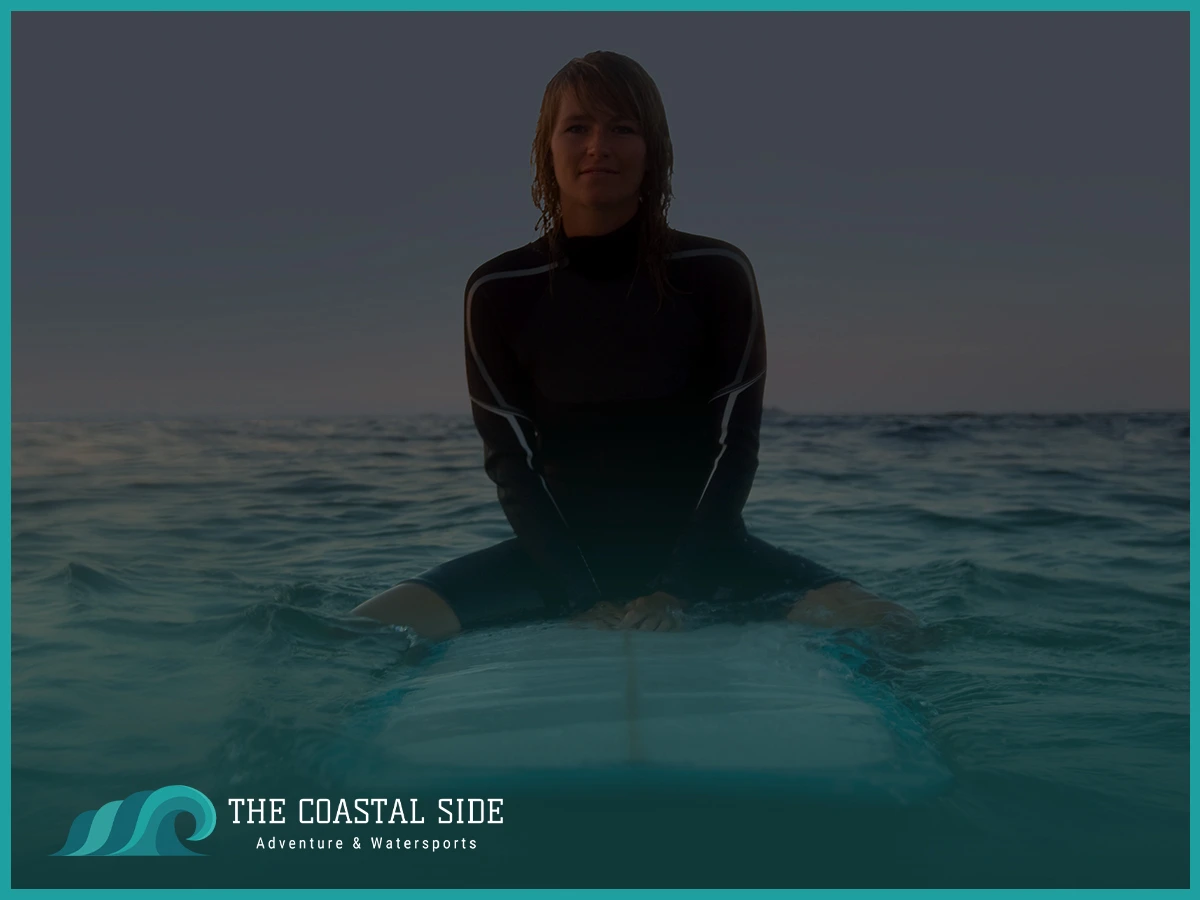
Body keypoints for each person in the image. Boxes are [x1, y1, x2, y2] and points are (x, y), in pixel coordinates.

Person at [353, 51, 915, 641]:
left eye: (622, 128)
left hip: (709, 558)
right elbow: (510, 464)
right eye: (578, 128)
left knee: (898, 629)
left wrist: (678, 589)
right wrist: (579, 595)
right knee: (350, 635)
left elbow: (737, 447)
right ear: (548, 148)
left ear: (654, 152)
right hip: (556, 564)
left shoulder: (715, 274)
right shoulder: (499, 290)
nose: (599, 146)